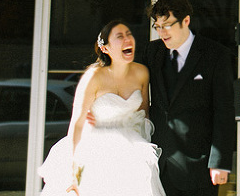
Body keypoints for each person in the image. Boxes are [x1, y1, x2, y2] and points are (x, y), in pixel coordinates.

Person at [38, 21, 165, 196]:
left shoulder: (142, 72)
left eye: (129, 34)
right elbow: (77, 122)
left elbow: (144, 115)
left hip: (131, 150)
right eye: (119, 37)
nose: (127, 40)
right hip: (96, 150)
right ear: (105, 48)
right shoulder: (93, 77)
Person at [144, 0, 236, 196]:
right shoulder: (152, 52)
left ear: (186, 20)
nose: (162, 32)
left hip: (199, 168)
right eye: (157, 26)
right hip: (159, 165)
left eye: (167, 25)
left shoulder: (215, 55)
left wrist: (220, 162)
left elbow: (224, 111)